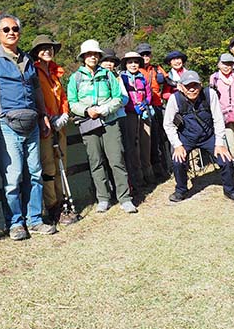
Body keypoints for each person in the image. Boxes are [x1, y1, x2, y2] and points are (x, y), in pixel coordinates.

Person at [0, 14, 57, 241]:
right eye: (6, 29)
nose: (11, 32)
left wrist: (43, 115)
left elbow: (37, 91)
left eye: (15, 29)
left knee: (35, 173)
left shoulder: (27, 59)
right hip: (5, 125)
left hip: (32, 122)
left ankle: (34, 220)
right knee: (13, 177)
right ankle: (15, 223)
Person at [67, 40, 137, 214]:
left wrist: (104, 109)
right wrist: (86, 110)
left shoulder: (108, 75)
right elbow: (72, 102)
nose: (92, 57)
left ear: (99, 56)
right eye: (89, 54)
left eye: (95, 54)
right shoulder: (75, 78)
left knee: (116, 160)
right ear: (83, 57)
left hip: (110, 121)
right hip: (88, 123)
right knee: (96, 161)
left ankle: (125, 198)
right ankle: (103, 198)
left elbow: (118, 97)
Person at [162, 70, 234, 204]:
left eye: (195, 85)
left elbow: (218, 119)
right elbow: (168, 124)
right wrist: (177, 145)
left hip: (208, 136)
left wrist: (219, 143)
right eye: (188, 86)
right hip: (186, 137)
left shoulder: (209, 94)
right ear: (181, 87)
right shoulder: (175, 99)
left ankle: (230, 190)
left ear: (201, 85)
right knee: (178, 161)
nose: (192, 89)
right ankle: (181, 190)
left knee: (226, 160)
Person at [31, 34, 78, 226]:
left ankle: (64, 203)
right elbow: (36, 96)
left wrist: (64, 114)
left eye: (49, 48)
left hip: (60, 125)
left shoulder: (55, 72)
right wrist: (48, 117)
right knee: (48, 168)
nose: (47, 51)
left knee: (62, 163)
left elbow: (63, 96)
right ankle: (53, 207)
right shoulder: (33, 72)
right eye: (43, 48)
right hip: (45, 126)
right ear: (36, 52)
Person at [119, 51, 155, 189]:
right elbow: (122, 96)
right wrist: (133, 108)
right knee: (133, 145)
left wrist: (144, 103)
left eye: (135, 62)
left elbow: (148, 94)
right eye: (130, 62)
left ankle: (149, 174)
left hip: (144, 113)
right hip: (130, 114)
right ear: (125, 64)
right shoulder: (121, 78)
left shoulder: (142, 77)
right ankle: (137, 178)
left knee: (146, 143)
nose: (133, 65)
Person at [136, 43, 170, 179]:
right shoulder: (134, 69)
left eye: (147, 54)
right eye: (142, 55)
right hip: (141, 108)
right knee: (145, 140)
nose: (145, 57)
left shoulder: (156, 68)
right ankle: (147, 171)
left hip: (156, 106)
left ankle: (161, 168)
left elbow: (168, 81)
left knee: (159, 138)